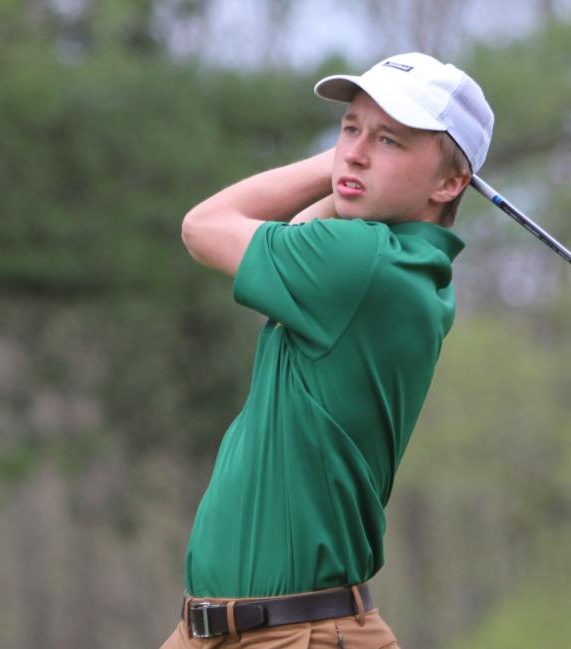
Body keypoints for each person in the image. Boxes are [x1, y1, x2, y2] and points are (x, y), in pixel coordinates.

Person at [163, 52, 494, 649]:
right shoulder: (398, 265)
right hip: (229, 630)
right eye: (349, 129)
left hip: (295, 633)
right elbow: (294, 236)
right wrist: (352, 171)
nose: (357, 151)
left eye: (389, 140)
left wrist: (330, 167)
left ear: (449, 183)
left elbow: (204, 226)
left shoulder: (361, 264)